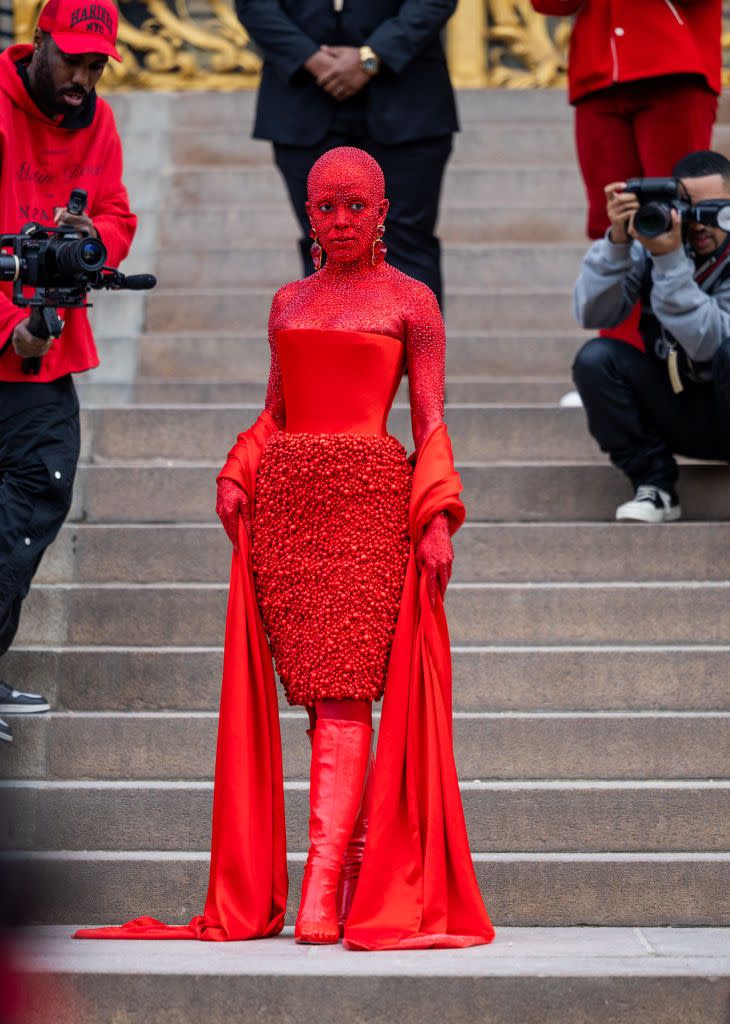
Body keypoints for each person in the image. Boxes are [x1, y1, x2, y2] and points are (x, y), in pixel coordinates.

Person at [75, 147, 494, 950]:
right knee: (316, 694)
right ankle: (349, 870)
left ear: (382, 210)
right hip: (290, 509)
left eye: (354, 206)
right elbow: (276, 407)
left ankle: (325, 886)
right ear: (310, 214)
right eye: (325, 208)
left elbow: (430, 421)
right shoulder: (288, 301)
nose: (339, 221)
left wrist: (438, 515)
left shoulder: (413, 302)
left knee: (344, 692)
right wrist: (240, 468)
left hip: (370, 503)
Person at [0, 0, 137, 741]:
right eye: (73, 60)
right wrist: (9, 329)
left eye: (95, 64)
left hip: (46, 350)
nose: (83, 78)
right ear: (40, 42)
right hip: (13, 335)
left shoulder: (100, 121)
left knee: (33, 503)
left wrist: (96, 242)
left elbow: (118, 213)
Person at [236, 0, 458, 306]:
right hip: (303, 98)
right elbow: (255, 6)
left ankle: (416, 353)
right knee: (325, 243)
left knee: (407, 242)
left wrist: (371, 58)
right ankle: (332, 352)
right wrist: (313, 60)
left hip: (407, 100)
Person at [531, 0, 721, 356]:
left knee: (679, 217)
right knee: (613, 223)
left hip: (673, 63)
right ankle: (620, 360)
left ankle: (686, 356)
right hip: (598, 76)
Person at [572, 150, 730, 523]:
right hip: (678, 407)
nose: (698, 225)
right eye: (687, 211)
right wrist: (616, 242)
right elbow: (591, 313)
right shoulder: (655, 245)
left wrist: (671, 261)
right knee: (596, 360)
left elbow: (710, 344)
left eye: (713, 212)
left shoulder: (667, 253)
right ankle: (655, 485)